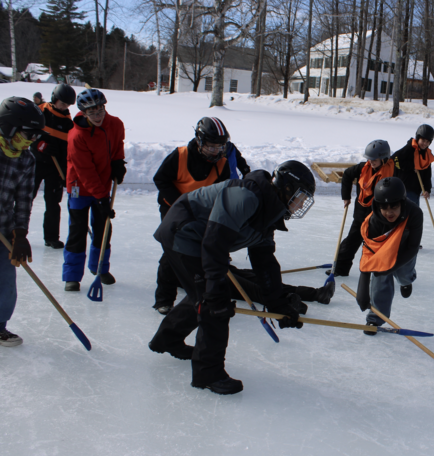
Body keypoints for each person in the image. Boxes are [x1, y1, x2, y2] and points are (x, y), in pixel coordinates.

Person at [148, 161, 316, 395]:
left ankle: (167, 339)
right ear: (286, 188)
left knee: (204, 295)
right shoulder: (246, 197)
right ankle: (208, 374)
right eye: (300, 197)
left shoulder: (269, 212)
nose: (300, 205)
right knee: (213, 304)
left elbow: (265, 262)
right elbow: (214, 242)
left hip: (202, 241)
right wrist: (214, 290)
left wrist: (278, 304)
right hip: (183, 234)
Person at [151, 117, 251, 315]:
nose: (216, 151)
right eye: (211, 147)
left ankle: (204, 295)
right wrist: (179, 203)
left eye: (220, 147)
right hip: (173, 208)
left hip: (200, 211)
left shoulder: (222, 163)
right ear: (199, 141)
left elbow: (222, 192)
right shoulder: (180, 155)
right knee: (173, 251)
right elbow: (160, 179)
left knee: (203, 250)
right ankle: (164, 299)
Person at [63, 89, 126, 291]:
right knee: (78, 231)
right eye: (92, 113)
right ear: (84, 113)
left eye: (100, 111)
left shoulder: (115, 124)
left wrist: (118, 163)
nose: (98, 117)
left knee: (103, 228)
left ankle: (100, 268)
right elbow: (85, 170)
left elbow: (118, 146)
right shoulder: (76, 136)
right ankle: (72, 276)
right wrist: (101, 198)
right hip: (79, 187)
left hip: (103, 184)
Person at [0, 97, 46, 347]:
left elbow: (24, 200)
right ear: (9, 127)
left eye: (36, 135)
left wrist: (20, 234)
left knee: (5, 280)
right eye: (29, 133)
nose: (32, 140)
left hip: (4, 228)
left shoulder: (27, 159)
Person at [355, 177, 423, 334]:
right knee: (380, 279)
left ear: (402, 203)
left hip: (405, 249)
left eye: (394, 206)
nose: (389, 212)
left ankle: (406, 282)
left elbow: (413, 248)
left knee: (404, 273)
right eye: (384, 208)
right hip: (383, 250)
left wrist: (391, 268)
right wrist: (363, 286)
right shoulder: (374, 222)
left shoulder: (414, 213)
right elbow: (369, 253)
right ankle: (375, 319)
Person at [327, 140, 394, 277]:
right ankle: (340, 269)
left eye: (374, 159)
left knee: (376, 246)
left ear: (383, 158)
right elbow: (347, 175)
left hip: (378, 217)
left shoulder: (392, 173)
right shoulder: (363, 167)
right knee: (350, 242)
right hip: (360, 214)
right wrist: (346, 196)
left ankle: (378, 274)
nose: (371, 162)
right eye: (369, 158)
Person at [31, 84, 76, 249]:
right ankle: (15, 234)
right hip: (35, 163)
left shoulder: (68, 123)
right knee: (26, 199)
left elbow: (67, 150)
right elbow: (28, 134)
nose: (64, 107)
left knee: (53, 203)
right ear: (54, 99)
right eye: (62, 103)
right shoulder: (39, 112)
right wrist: (41, 145)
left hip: (54, 168)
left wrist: (65, 172)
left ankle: (51, 237)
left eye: (67, 105)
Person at [390, 124, 434, 206]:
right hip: (403, 188)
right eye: (423, 140)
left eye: (427, 142)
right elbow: (394, 159)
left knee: (414, 212)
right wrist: (412, 166)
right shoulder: (409, 149)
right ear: (418, 138)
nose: (425, 143)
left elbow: (427, 175)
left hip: (415, 191)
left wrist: (427, 189)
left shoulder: (426, 156)